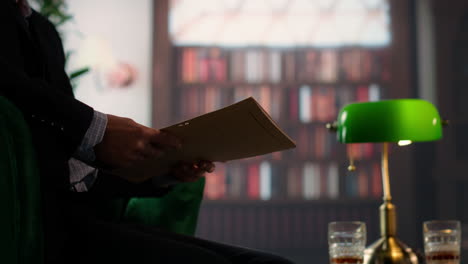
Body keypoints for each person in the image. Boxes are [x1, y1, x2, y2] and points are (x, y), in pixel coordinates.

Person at [0, 0, 295, 263]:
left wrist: (163, 172)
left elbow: (72, 164)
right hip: (35, 231)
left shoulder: (44, 30)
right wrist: (99, 129)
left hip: (82, 219)